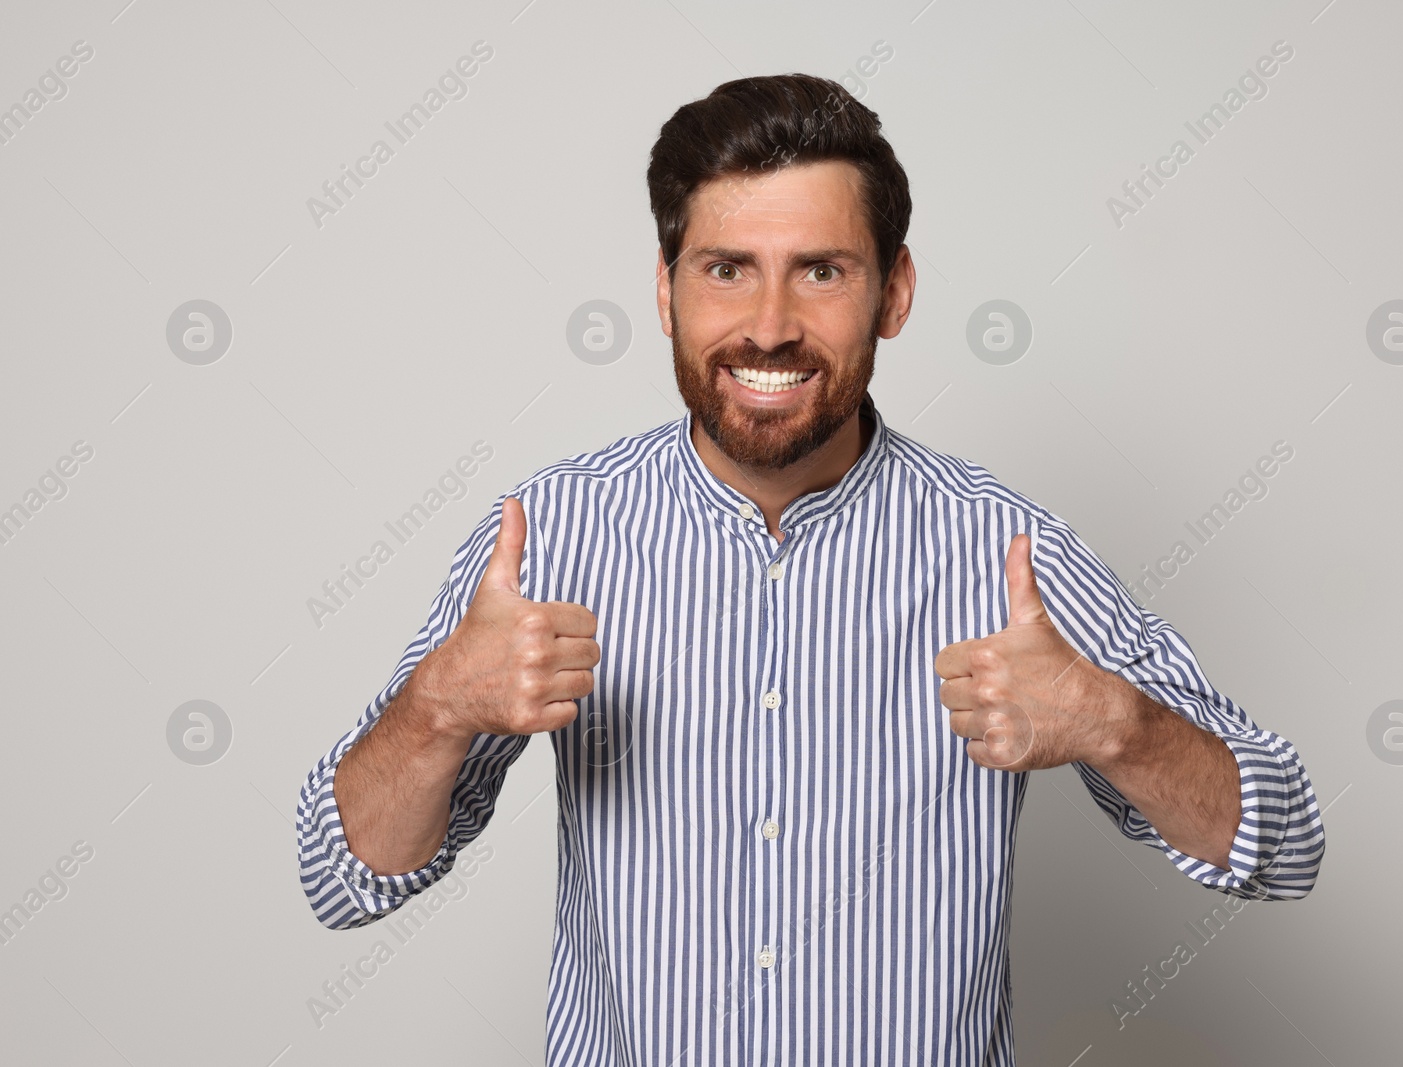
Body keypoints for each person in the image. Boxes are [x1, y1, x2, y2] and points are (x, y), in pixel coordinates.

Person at [296, 72, 1323, 1065]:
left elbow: (1284, 844)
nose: (772, 324)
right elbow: (343, 875)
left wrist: (1112, 719)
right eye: (726, 267)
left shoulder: (1003, 549)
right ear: (664, 290)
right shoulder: (553, 533)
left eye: (821, 270)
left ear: (894, 289)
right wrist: (436, 707)